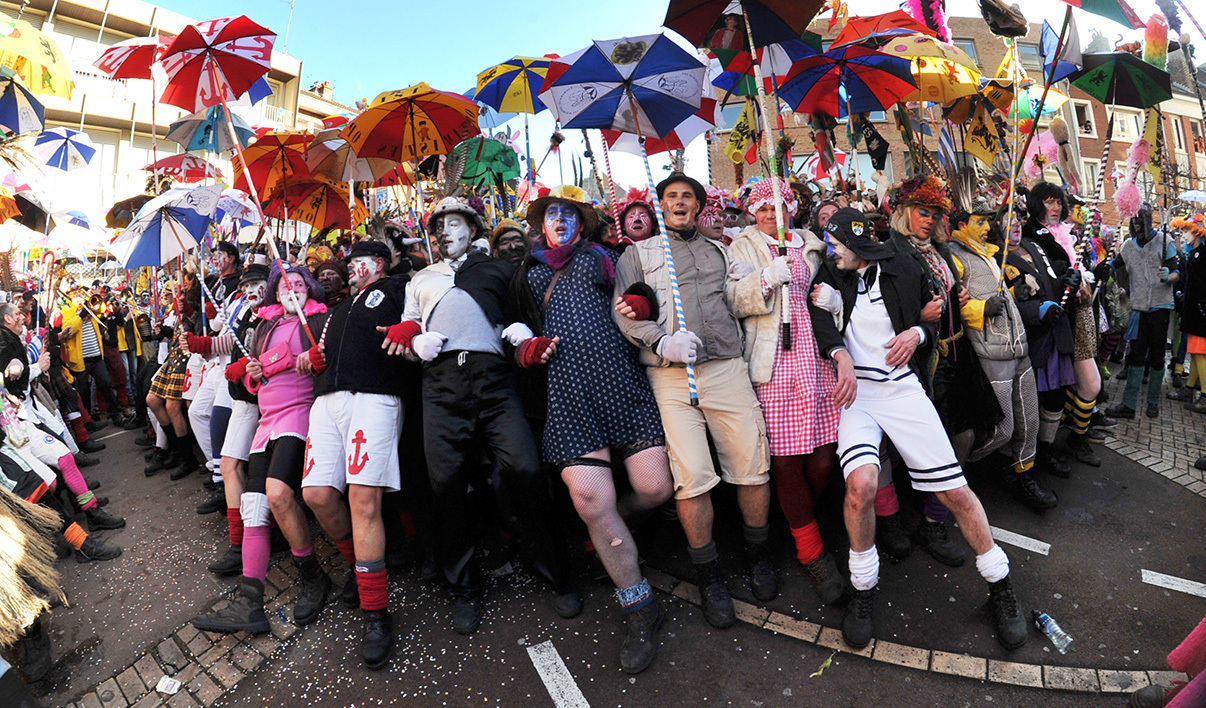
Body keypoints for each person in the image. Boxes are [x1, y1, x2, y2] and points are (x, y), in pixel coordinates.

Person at [809, 208, 1026, 651]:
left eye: (836, 244)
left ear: (856, 243)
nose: (831, 252)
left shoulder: (902, 267)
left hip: (903, 391)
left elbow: (932, 317)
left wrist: (916, 334)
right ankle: (863, 588)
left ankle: (1000, 586)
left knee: (955, 492)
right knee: (861, 487)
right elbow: (819, 319)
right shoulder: (832, 272)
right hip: (858, 396)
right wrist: (839, 353)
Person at [385, 197, 578, 637]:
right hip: (441, 385)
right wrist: (414, 344)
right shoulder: (420, 278)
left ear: (472, 230)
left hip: (494, 380)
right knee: (447, 485)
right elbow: (409, 328)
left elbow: (522, 319)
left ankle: (553, 570)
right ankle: (464, 586)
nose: (445, 233)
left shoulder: (498, 270)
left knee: (526, 469)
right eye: (439, 227)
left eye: (454, 224)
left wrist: (522, 336)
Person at [510, 186, 673, 673]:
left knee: (655, 487)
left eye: (568, 214)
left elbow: (645, 293)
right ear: (541, 224)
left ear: (582, 223)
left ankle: (607, 532)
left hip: (622, 384)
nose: (559, 221)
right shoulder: (526, 271)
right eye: (551, 214)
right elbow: (513, 328)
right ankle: (639, 606)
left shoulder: (606, 258)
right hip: (569, 397)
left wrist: (640, 303)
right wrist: (525, 349)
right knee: (589, 501)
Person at [613, 172, 775, 628]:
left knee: (752, 468)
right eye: (672, 196)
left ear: (699, 206)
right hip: (670, 376)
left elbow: (739, 304)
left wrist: (748, 281)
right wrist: (660, 340)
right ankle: (709, 575)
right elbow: (624, 311)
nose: (680, 202)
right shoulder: (638, 254)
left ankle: (759, 554)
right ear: (661, 205)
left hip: (726, 367)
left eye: (688, 196)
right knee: (693, 479)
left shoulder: (720, 250)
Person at [725, 178, 845, 604]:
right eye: (761, 210)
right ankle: (810, 548)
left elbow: (838, 284)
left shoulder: (812, 244)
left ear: (790, 209)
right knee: (788, 462)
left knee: (824, 454)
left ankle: (797, 517)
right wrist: (764, 279)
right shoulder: (741, 246)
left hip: (815, 358)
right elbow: (733, 300)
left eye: (776, 208)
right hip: (773, 362)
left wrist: (835, 303)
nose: (769, 216)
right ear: (752, 213)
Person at [194, 265, 332, 635]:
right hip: (266, 422)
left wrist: (319, 360)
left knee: (279, 494)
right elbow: (257, 383)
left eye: (299, 283)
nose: (292, 289)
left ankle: (313, 576)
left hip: (300, 417)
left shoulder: (319, 321)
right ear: (276, 292)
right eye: (286, 284)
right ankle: (249, 604)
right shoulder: (264, 327)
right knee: (254, 509)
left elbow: (334, 365)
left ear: (309, 290)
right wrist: (253, 373)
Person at [300, 240, 408, 669]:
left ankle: (376, 612)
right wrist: (314, 358)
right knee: (317, 495)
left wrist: (413, 326)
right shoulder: (340, 307)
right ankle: (359, 569)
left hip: (374, 395)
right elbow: (325, 353)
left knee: (363, 500)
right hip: (328, 400)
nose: (348, 268)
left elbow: (423, 314)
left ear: (379, 263)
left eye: (356, 261)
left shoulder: (399, 287)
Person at [948, 198, 1058, 511]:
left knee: (1030, 420)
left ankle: (1025, 478)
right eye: (980, 221)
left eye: (988, 220)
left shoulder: (990, 254)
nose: (988, 226)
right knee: (1003, 429)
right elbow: (952, 305)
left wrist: (1013, 295)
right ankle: (956, 472)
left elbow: (995, 294)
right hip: (991, 354)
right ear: (961, 224)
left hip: (1019, 347)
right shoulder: (953, 256)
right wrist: (981, 308)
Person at [184, 262, 270, 573]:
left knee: (272, 484)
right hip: (244, 398)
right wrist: (201, 343)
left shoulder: (280, 315)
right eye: (245, 285)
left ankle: (270, 540)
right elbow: (231, 342)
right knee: (229, 464)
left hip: (277, 406)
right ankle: (238, 544)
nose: (249, 290)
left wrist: (253, 366)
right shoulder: (247, 313)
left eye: (256, 284)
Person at [1108, 204, 1179, 421]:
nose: (1136, 225)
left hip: (1160, 307)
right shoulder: (1128, 246)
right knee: (1136, 356)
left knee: (1157, 356)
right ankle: (1128, 405)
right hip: (1138, 308)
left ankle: (1153, 401)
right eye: (1133, 221)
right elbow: (1113, 265)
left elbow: (1177, 273)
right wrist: (1102, 270)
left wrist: (1169, 276)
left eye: (1140, 221)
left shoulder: (1165, 242)